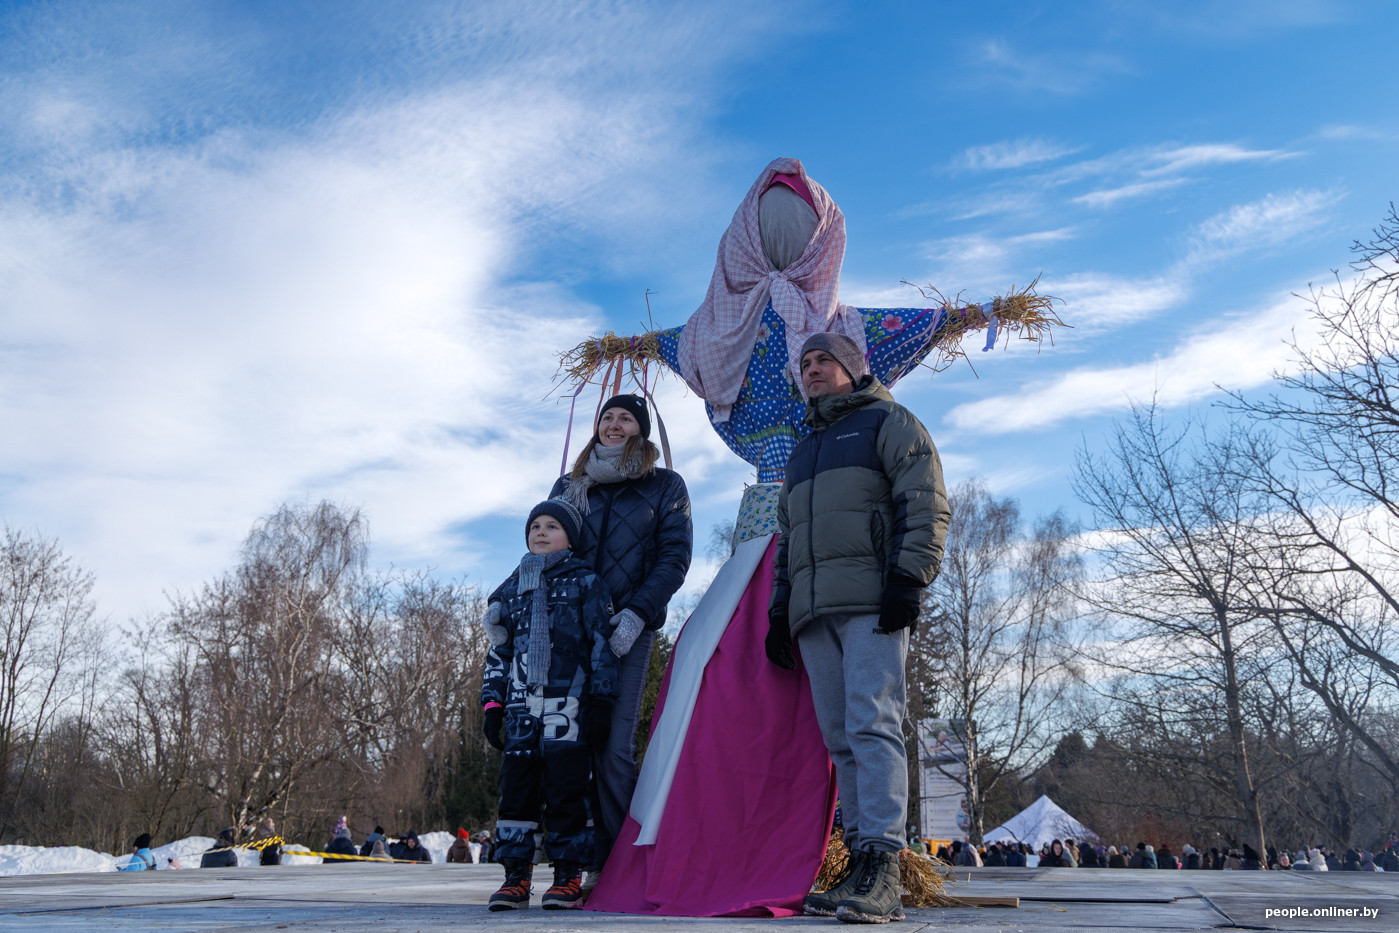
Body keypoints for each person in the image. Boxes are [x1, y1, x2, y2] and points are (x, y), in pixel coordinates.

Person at [765, 330, 950, 924]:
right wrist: (780, 609)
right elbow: (789, 538)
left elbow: (925, 502)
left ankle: (886, 865)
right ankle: (859, 860)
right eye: (806, 363)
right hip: (814, 612)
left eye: (825, 360)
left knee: (873, 723)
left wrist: (908, 579)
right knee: (840, 736)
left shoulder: (889, 422)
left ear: (851, 367)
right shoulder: (804, 449)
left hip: (872, 599)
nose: (813, 369)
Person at [548, 393, 692, 886]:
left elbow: (674, 557)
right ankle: (578, 862)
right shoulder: (570, 485)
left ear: (641, 429)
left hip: (627, 630)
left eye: (625, 418)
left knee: (612, 747)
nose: (613, 424)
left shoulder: (664, 485)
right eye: (607, 417)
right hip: (570, 633)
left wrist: (636, 614)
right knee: (569, 744)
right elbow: (546, 549)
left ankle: (624, 865)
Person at [481, 498, 618, 911]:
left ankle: (567, 875)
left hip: (568, 707)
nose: (541, 531)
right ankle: (516, 876)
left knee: (567, 790)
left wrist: (602, 701)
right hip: (521, 708)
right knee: (516, 791)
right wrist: (492, 704)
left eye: (552, 526)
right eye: (535, 525)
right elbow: (499, 652)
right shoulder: (511, 589)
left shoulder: (586, 582)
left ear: (570, 539)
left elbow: (602, 645)